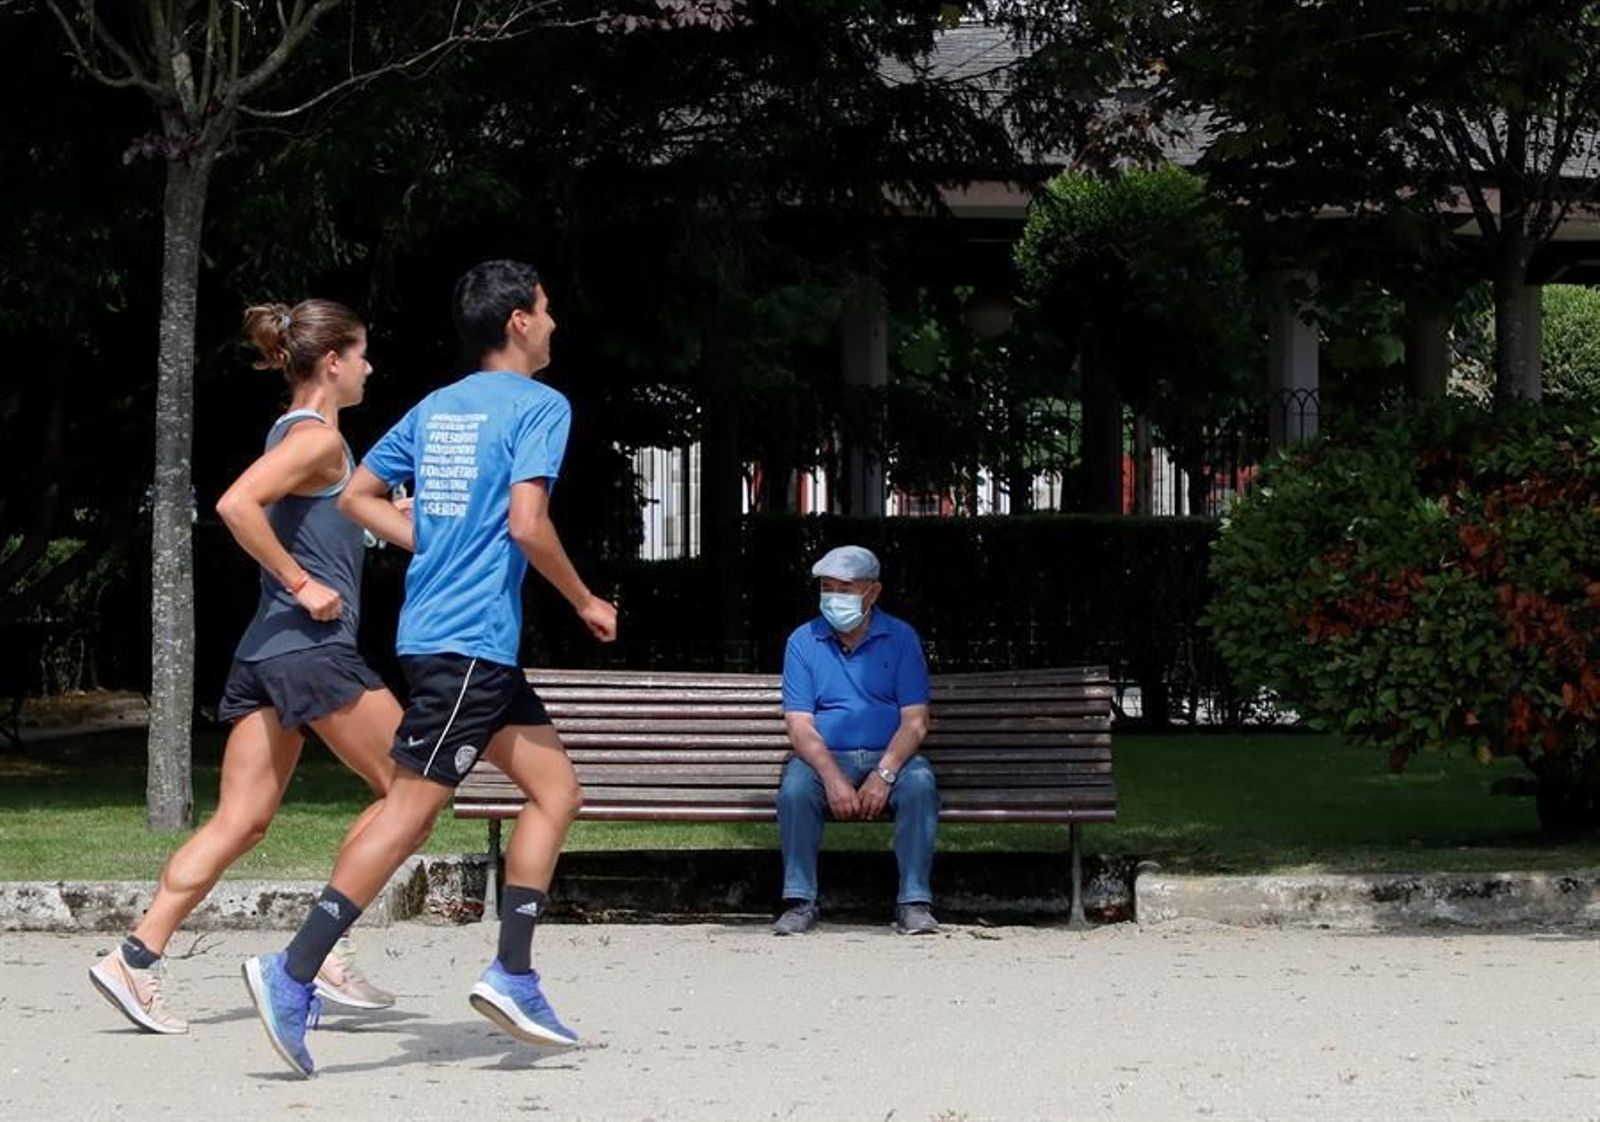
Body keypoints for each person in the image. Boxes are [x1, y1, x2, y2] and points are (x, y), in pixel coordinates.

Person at [241, 259, 617, 1078]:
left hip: (452, 639)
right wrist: (585, 599)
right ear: (519, 320)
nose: (553, 323)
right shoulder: (541, 406)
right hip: (470, 640)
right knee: (410, 811)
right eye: (547, 308)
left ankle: (513, 972)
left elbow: (357, 498)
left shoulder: (437, 407)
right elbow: (527, 524)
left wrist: (435, 541)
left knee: (557, 791)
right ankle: (294, 971)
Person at [89, 300, 404, 1034]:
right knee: (409, 786)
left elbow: (319, 522)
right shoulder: (318, 437)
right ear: (333, 362)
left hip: (266, 653)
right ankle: (323, 949)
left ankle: (134, 958)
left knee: (242, 820)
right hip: (310, 650)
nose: (368, 366)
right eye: (361, 354)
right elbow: (235, 505)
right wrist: (302, 583)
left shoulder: (303, 438)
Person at [773, 545, 939, 936]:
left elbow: (915, 722)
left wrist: (883, 774)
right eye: (827, 588)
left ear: (873, 592)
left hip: (890, 755)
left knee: (919, 784)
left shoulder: (901, 639)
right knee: (796, 787)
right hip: (826, 756)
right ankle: (799, 901)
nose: (834, 598)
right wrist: (831, 777)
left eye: (845, 588)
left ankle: (913, 902)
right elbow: (799, 725)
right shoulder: (803, 641)